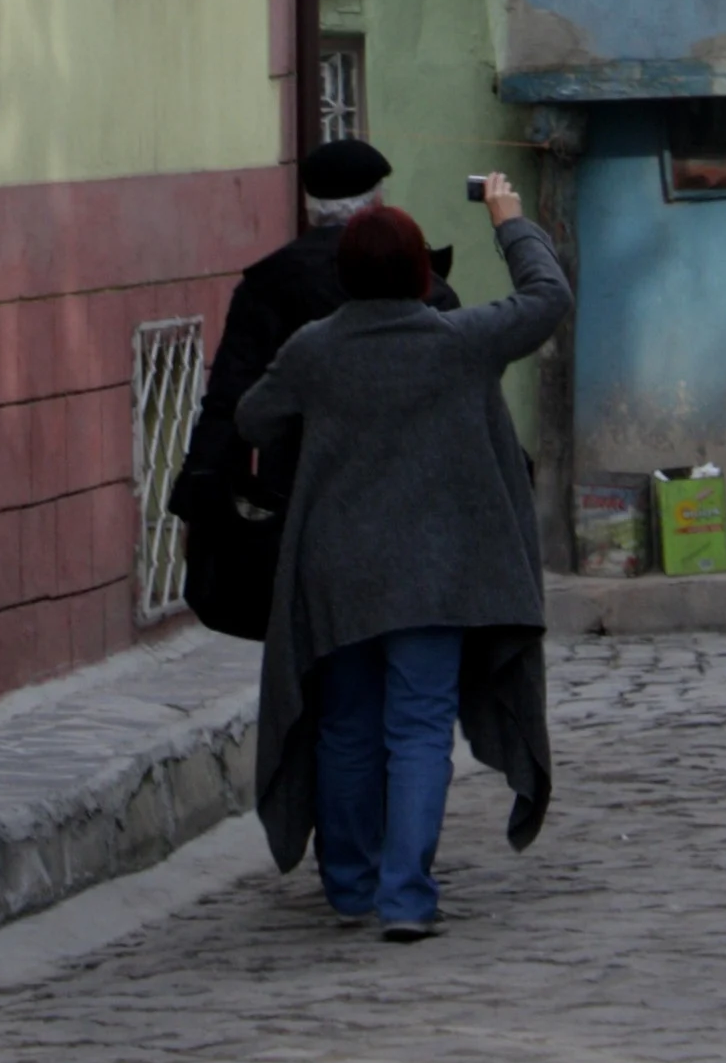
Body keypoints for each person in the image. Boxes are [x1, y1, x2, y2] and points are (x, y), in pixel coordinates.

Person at [236, 173, 570, 942]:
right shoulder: (462, 340)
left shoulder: (315, 351)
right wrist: (508, 216)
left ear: (341, 275)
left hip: (340, 576)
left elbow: (254, 419)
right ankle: (407, 898)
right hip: (438, 576)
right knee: (419, 728)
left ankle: (350, 886)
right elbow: (548, 298)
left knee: (347, 726)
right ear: (424, 271)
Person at [169, 136, 454, 637]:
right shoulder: (422, 282)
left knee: (319, 646)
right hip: (409, 497)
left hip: (304, 495)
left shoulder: (269, 282)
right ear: (377, 205)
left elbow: (231, 398)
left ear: (310, 207)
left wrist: (201, 497)